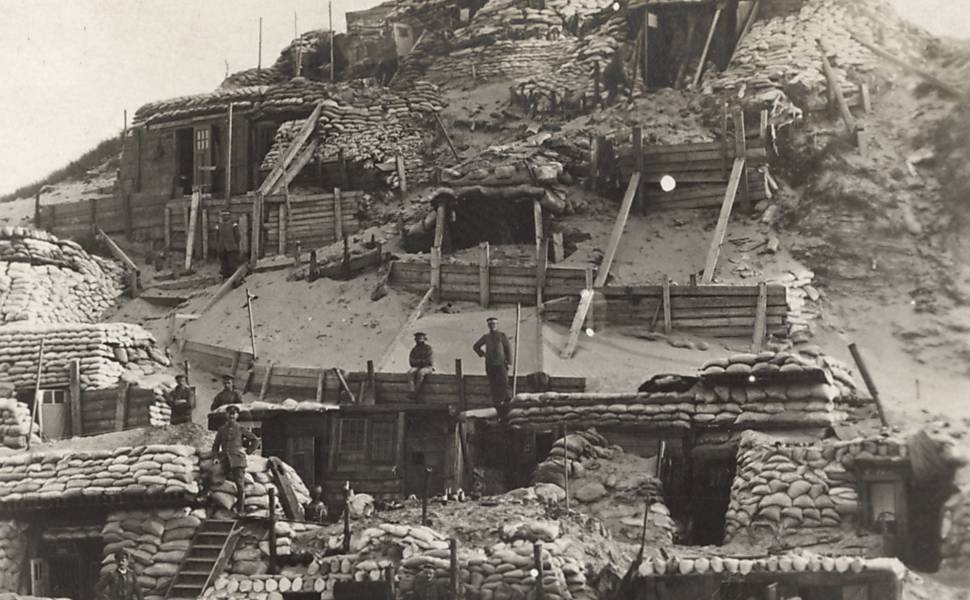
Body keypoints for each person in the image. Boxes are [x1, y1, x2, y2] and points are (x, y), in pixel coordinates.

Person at [211, 405, 259, 515]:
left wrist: (247, 451)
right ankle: (214, 504)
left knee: (240, 485)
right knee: (213, 477)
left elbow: (255, 440)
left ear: (237, 415)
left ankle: (240, 509)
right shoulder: (222, 429)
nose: (231, 416)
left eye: (234, 414)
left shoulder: (240, 428)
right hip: (225, 460)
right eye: (229, 413)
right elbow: (216, 446)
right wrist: (216, 458)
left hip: (238, 460)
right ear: (226, 415)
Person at [472, 317, 512, 408]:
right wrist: (483, 354)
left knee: (504, 385)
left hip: (501, 365)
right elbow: (476, 346)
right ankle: (497, 406)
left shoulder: (502, 335)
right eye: (490, 324)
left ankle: (508, 405)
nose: (492, 326)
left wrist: (509, 363)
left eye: (494, 324)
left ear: (497, 325)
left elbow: (508, 349)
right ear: (488, 326)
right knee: (493, 386)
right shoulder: (486, 337)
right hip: (490, 365)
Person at [407, 332, 434, 399]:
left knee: (421, 373)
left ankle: (416, 392)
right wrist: (420, 362)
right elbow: (411, 361)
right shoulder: (414, 349)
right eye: (417, 339)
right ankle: (412, 391)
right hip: (417, 367)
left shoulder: (428, 348)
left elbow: (429, 361)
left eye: (420, 338)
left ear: (424, 339)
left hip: (427, 367)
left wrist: (418, 362)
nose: (418, 340)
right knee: (410, 372)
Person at [215, 211, 240, 279]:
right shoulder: (218, 225)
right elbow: (217, 236)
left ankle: (234, 278)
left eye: (226, 215)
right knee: (223, 264)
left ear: (229, 216)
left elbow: (237, 236)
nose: (224, 217)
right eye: (223, 215)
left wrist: (234, 244)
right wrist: (219, 246)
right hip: (222, 248)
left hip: (231, 247)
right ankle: (225, 277)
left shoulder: (233, 224)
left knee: (232, 264)